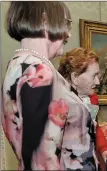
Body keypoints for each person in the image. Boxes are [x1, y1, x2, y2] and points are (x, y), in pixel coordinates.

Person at [0, 2, 93, 170]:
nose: (69, 34)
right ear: (45, 20)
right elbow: (41, 162)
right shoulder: (39, 72)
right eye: (67, 23)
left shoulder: (17, 65)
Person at [58, 48, 107, 170]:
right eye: (94, 75)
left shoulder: (92, 98)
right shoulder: (58, 103)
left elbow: (94, 128)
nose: (98, 81)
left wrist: (104, 149)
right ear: (75, 77)